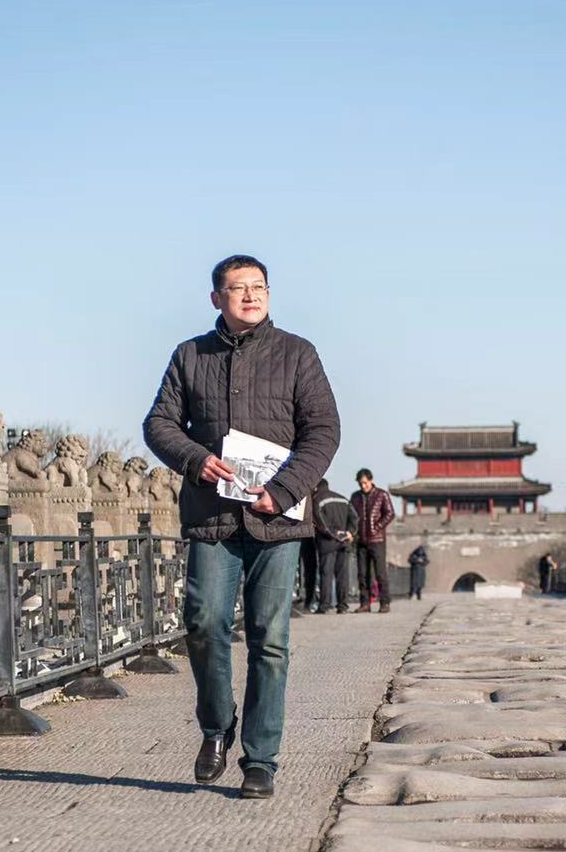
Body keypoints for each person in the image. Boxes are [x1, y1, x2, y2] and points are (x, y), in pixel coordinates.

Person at [144, 254, 340, 800]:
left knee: (269, 640)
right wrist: (194, 458)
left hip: (276, 520)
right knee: (204, 623)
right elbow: (159, 423)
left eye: (259, 287)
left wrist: (284, 491)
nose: (250, 296)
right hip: (213, 516)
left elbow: (323, 430)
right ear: (217, 298)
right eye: (238, 288)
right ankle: (216, 726)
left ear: (269, 294)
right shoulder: (190, 355)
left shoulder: (298, 353)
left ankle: (261, 759)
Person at [349, 468, 394, 613]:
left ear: (371, 480)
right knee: (362, 574)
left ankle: (384, 602)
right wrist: (353, 532)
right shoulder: (355, 497)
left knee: (380, 573)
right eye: (360, 483)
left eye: (365, 483)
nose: (363, 486)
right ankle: (365, 603)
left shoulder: (382, 495)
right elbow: (352, 516)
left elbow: (390, 513)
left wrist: (377, 527)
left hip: (377, 540)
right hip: (361, 540)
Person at [312, 478, 356, 613]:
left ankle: (324, 606)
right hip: (344, 543)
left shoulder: (317, 500)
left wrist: (335, 535)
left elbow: (322, 524)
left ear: (316, 487)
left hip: (327, 543)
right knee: (343, 575)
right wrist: (349, 532)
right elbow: (355, 517)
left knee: (326, 574)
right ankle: (343, 606)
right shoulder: (343, 499)